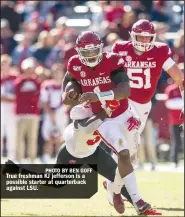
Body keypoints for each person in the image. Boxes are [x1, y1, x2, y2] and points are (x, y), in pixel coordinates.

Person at [3, 103, 161, 216]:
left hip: (94, 152)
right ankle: (16, 170)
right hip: (71, 155)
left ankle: (137, 204)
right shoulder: (80, 127)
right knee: (54, 183)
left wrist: (131, 117)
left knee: (120, 176)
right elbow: (90, 124)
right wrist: (106, 111)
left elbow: (115, 113)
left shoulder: (94, 117)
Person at [62, 31, 151, 214]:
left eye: (94, 51)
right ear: (79, 52)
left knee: (130, 156)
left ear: (101, 48)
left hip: (125, 113)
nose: (91, 56)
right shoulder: (75, 63)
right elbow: (69, 85)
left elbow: (125, 90)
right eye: (86, 53)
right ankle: (138, 201)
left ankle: (114, 190)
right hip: (105, 119)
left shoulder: (113, 60)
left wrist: (97, 96)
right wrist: (71, 91)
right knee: (123, 154)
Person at [104, 18, 184, 203]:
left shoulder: (160, 51)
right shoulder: (120, 49)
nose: (144, 41)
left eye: (148, 38)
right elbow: (106, 72)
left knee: (131, 153)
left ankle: (112, 184)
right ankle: (115, 189)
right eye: (141, 36)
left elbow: (180, 78)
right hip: (124, 102)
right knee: (126, 147)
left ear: (153, 38)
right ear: (133, 35)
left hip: (143, 104)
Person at [40, 63, 68, 163]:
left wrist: (60, 111)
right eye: (55, 71)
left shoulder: (66, 85)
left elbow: (69, 101)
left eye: (59, 71)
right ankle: (46, 158)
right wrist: (51, 113)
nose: (57, 74)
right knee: (48, 137)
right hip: (49, 114)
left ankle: (59, 159)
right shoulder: (47, 85)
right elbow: (43, 101)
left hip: (61, 114)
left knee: (60, 138)